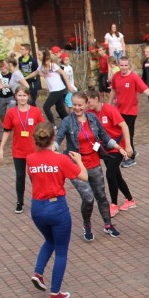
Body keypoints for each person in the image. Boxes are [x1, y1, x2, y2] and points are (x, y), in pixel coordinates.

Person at [26, 121, 88, 298]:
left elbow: (33, 179)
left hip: (37, 207)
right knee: (61, 250)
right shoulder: (61, 159)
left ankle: (38, 272)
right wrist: (79, 161)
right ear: (53, 139)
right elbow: (83, 176)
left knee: (49, 240)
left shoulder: (30, 159)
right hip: (57, 207)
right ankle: (55, 291)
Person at [54, 91, 125, 241]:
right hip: (77, 166)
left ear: (87, 104)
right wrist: (50, 151)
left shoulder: (92, 118)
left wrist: (118, 147)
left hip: (94, 163)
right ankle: (87, 225)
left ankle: (108, 224)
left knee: (101, 196)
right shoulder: (67, 121)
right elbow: (58, 139)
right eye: (74, 105)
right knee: (88, 198)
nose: (77, 108)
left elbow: (105, 136)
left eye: (80, 105)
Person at [85, 89, 136, 217]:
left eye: (89, 102)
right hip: (104, 148)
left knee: (110, 175)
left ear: (96, 99)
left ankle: (113, 204)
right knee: (116, 175)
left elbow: (124, 126)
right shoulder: (89, 113)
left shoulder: (109, 109)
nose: (87, 105)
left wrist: (129, 146)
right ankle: (130, 200)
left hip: (118, 146)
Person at [0, 86, 47, 213]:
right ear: (15, 96)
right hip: (18, 150)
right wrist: (1, 148)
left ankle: (39, 200)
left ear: (28, 96)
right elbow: (7, 131)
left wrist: (47, 146)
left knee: (35, 176)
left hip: (34, 150)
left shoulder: (35, 111)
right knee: (20, 176)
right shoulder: (11, 112)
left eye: (24, 95)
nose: (22, 98)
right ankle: (20, 202)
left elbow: (43, 129)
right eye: (19, 95)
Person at [110, 56, 149, 167]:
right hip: (119, 110)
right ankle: (132, 150)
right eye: (121, 65)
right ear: (119, 65)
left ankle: (130, 158)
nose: (123, 68)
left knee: (128, 134)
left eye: (126, 65)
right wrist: (110, 105)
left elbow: (145, 89)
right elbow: (113, 90)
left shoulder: (134, 77)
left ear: (129, 66)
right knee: (120, 133)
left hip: (131, 111)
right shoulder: (116, 76)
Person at [23, 50, 73, 124]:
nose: (38, 56)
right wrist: (24, 78)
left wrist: (69, 85)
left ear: (44, 56)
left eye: (39, 54)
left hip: (58, 89)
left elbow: (63, 73)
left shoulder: (52, 65)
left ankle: (52, 125)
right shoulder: (42, 66)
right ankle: (69, 124)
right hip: (54, 90)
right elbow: (35, 72)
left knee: (46, 107)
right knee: (60, 109)